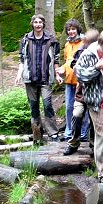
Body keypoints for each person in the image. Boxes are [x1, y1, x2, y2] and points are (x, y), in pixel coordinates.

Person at [73, 29, 103, 183]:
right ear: (99, 43)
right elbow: (80, 75)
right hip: (96, 102)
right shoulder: (88, 54)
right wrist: (96, 68)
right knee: (101, 135)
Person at [14, 14, 63, 144]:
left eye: (40, 22)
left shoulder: (51, 40)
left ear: (43, 24)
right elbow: (22, 59)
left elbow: (56, 60)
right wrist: (19, 74)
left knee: (47, 105)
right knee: (34, 107)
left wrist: (57, 75)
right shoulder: (26, 40)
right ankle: (37, 134)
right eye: (35, 22)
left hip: (46, 79)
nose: (38, 24)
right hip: (30, 79)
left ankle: (53, 133)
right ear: (32, 24)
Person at [63, 28, 98, 155]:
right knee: (77, 115)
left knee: (94, 120)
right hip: (81, 93)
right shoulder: (81, 50)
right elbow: (73, 63)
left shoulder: (102, 52)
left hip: (96, 94)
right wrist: (78, 67)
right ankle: (73, 143)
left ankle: (94, 145)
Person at [57, 19, 90, 142]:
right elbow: (68, 61)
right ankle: (69, 132)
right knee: (69, 107)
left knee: (83, 108)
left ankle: (83, 134)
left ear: (78, 30)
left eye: (73, 29)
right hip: (69, 81)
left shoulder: (84, 43)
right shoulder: (67, 45)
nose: (71, 31)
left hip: (81, 82)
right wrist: (62, 69)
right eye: (69, 29)